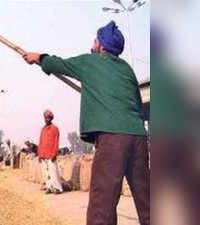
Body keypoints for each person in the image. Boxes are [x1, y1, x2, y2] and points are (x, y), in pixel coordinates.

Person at [23, 21, 149, 225]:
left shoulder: (91, 62)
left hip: (112, 140)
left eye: (95, 40)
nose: (92, 44)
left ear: (102, 46)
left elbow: (59, 64)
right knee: (148, 200)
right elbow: (135, 102)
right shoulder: (126, 70)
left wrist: (39, 58)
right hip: (138, 138)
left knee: (102, 204)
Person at [38, 110, 63, 194]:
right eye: (45, 118)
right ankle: (49, 187)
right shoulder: (43, 129)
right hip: (43, 154)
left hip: (51, 154)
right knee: (46, 173)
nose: (46, 119)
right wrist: (39, 154)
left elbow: (56, 142)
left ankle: (57, 188)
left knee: (53, 171)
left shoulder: (55, 129)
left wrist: (54, 154)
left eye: (48, 118)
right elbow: (40, 142)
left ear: (51, 119)